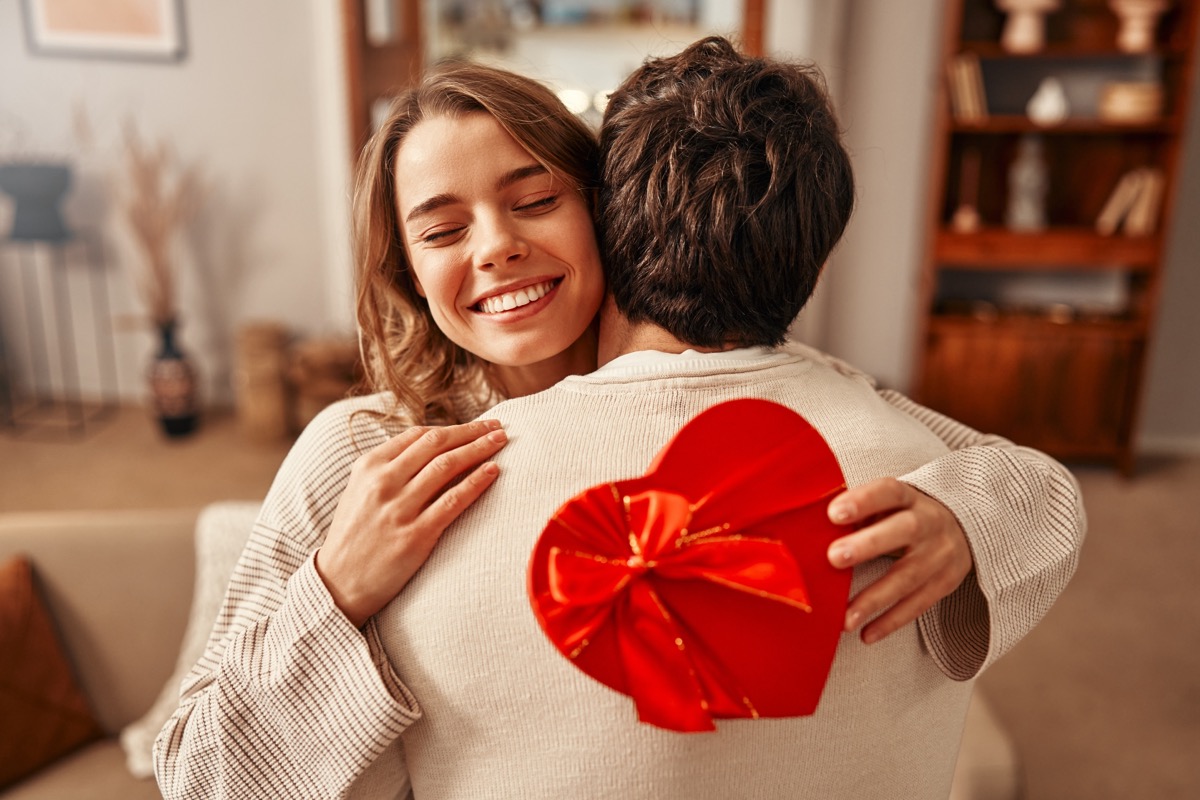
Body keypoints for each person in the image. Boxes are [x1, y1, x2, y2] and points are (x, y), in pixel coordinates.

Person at [155, 45, 1084, 798]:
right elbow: (196, 770)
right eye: (442, 230)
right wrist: (334, 591)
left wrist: (966, 511)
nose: (497, 244)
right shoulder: (360, 451)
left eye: (535, 200)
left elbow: (1028, 477)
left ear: (610, 213)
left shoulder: (771, 384)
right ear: (405, 270)